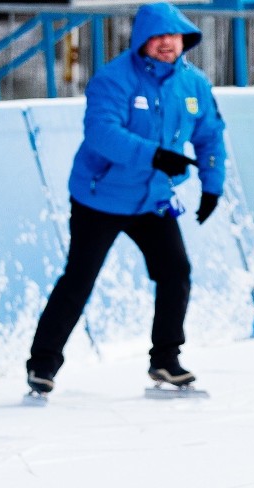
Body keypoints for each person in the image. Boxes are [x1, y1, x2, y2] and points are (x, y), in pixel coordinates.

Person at [25, 2, 226, 398]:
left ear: (184, 39)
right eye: (158, 37)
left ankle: (166, 359)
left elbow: (209, 135)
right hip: (101, 197)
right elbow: (102, 132)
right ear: (142, 41)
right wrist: (153, 155)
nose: (167, 44)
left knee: (175, 271)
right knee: (79, 278)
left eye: (173, 36)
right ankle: (42, 364)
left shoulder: (194, 83)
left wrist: (212, 184)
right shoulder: (113, 79)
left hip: (153, 200)